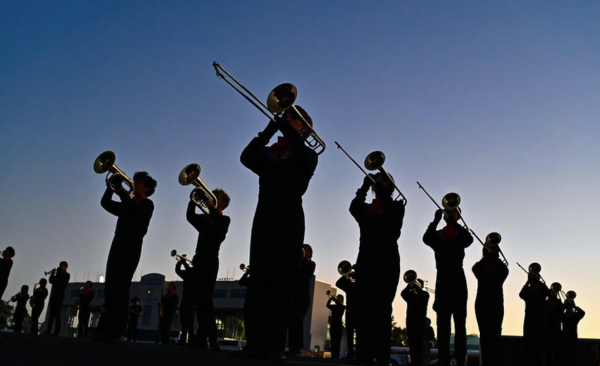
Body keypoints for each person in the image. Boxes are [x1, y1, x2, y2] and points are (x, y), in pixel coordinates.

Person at [237, 106, 319, 361]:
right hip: (264, 215)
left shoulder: (307, 154)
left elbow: (302, 158)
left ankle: (274, 346)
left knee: (281, 283)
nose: (287, 118)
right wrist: (271, 128)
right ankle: (254, 343)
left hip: (290, 216)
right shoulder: (270, 153)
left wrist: (288, 129)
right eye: (287, 115)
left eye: (293, 117)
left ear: (304, 128)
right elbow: (246, 157)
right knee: (259, 280)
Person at [350, 172, 405, 366]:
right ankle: (363, 354)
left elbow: (393, 221)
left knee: (382, 308)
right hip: (366, 259)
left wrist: (383, 191)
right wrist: (364, 187)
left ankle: (381, 356)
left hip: (387, 260)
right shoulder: (366, 209)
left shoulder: (397, 206)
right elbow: (353, 207)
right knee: (363, 308)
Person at [95, 171, 156, 341]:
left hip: (132, 245)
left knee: (121, 287)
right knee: (110, 287)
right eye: (134, 181)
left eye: (138, 182)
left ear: (147, 187)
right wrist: (110, 187)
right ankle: (104, 330)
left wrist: (120, 189)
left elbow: (132, 208)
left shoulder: (147, 204)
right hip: (118, 242)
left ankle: (118, 331)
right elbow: (105, 203)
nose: (134, 184)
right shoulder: (128, 203)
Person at [423, 208, 473, 366]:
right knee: (442, 323)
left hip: (457, 278)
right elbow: (426, 238)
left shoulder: (460, 233)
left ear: (458, 216)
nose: (450, 214)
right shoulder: (438, 235)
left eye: (454, 212)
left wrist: (456, 225)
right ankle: (444, 359)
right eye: (448, 212)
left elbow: (469, 240)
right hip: (443, 278)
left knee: (460, 323)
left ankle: (460, 359)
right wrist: (435, 220)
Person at [186, 188, 231, 349]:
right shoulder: (205, 218)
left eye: (217, 198)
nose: (212, 199)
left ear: (224, 203)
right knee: (199, 301)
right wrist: (193, 200)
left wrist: (212, 207)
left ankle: (211, 339)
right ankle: (202, 338)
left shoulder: (224, 220)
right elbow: (190, 217)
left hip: (211, 261)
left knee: (206, 301)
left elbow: (218, 228)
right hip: (199, 260)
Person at [472, 246, 509, 366]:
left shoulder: (499, 268)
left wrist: (495, 257)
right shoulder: (481, 267)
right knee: (485, 335)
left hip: (495, 303)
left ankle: (494, 362)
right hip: (483, 303)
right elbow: (475, 269)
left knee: (495, 334)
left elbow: (505, 271)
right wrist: (487, 257)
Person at [288, 244, 316, 355]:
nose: (302, 251)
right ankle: (292, 346)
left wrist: (302, 256)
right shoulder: (297, 263)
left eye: (305, 250)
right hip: (294, 295)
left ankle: (297, 345)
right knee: (292, 321)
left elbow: (306, 276)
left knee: (297, 320)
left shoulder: (311, 264)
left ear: (310, 252)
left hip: (303, 297)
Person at [519, 268, 549, 366]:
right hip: (538, 318)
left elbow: (522, 294)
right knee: (535, 344)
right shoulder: (538, 289)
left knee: (532, 344)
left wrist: (529, 282)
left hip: (532, 318)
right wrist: (535, 282)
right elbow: (521, 294)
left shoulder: (531, 289)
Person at [400, 278, 430, 366]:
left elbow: (421, 294)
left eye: (418, 284)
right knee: (412, 342)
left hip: (420, 322)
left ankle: (419, 361)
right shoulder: (411, 295)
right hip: (410, 322)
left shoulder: (425, 294)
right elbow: (403, 293)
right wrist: (409, 284)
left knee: (419, 343)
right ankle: (414, 361)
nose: (415, 285)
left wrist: (416, 286)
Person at [175, 255, 196, 345]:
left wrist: (184, 262)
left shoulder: (197, 271)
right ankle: (183, 339)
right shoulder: (188, 271)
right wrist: (179, 262)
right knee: (183, 319)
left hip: (192, 298)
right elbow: (178, 271)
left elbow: (191, 273)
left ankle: (191, 340)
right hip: (185, 297)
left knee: (190, 320)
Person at [336, 273, 358, 359]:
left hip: (351, 312)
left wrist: (347, 273)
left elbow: (339, 283)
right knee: (354, 333)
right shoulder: (359, 285)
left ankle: (352, 353)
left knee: (350, 334)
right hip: (356, 312)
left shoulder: (350, 285)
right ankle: (355, 353)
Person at [45, 261, 70, 335]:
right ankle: (48, 330)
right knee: (51, 314)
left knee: (57, 314)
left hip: (60, 296)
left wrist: (58, 274)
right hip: (54, 295)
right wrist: (52, 274)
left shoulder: (66, 275)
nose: (59, 267)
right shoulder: (57, 274)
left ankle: (57, 331)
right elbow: (51, 281)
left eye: (61, 266)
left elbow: (62, 282)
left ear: (65, 267)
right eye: (59, 265)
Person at [544, 284, 565, 366]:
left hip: (550, 329)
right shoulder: (554, 303)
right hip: (554, 329)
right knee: (555, 351)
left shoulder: (546, 302)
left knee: (551, 351)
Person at [562, 299, 585, 365]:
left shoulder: (564, 315)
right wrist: (574, 306)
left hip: (567, 339)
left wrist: (564, 306)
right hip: (572, 339)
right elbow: (582, 312)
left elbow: (583, 313)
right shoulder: (575, 315)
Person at [326, 293, 346, 360]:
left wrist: (334, 300)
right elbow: (328, 305)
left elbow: (339, 308)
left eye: (339, 298)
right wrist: (331, 299)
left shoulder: (342, 307)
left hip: (338, 326)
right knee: (333, 342)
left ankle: (336, 357)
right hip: (333, 325)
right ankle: (333, 356)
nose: (338, 298)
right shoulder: (335, 306)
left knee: (337, 342)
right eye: (337, 297)